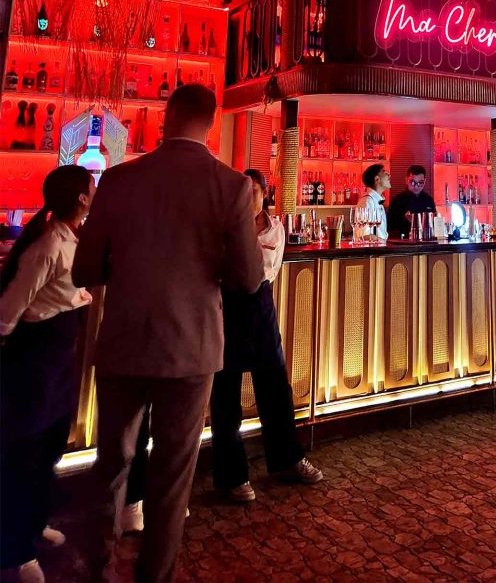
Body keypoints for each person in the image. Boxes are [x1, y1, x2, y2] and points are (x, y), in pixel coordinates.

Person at [73, 84, 263, 583]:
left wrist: (131, 266)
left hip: (124, 339)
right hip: (191, 345)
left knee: (111, 463)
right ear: (213, 123)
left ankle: (96, 566)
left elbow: (83, 268)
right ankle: (154, 575)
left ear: (166, 117)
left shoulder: (118, 179)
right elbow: (248, 279)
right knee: (172, 476)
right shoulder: (231, 186)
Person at [0, 165, 95, 583]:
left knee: (50, 447)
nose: (96, 192)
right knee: (24, 455)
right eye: (92, 187)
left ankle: (34, 524)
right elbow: (9, 310)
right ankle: (14, 551)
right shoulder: (50, 244)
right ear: (81, 198)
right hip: (35, 362)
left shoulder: (70, 238)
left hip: (57, 360)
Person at [210, 168, 322, 504]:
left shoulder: (276, 228)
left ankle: (287, 459)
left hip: (261, 308)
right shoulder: (223, 228)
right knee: (226, 394)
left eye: (254, 192)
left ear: (264, 194)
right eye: (242, 192)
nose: (248, 198)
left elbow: (265, 271)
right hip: (226, 308)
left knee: (275, 388)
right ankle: (232, 476)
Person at [386, 165, 437, 239]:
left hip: (426, 242)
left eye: (420, 183)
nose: (416, 186)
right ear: (406, 180)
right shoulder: (397, 201)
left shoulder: (429, 200)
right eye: (412, 182)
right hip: (403, 242)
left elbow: (434, 226)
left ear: (425, 181)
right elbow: (391, 229)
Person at [355, 164, 391, 241]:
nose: (389, 175)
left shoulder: (377, 201)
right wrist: (385, 243)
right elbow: (364, 236)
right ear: (377, 179)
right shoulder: (367, 201)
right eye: (384, 172)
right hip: (375, 248)